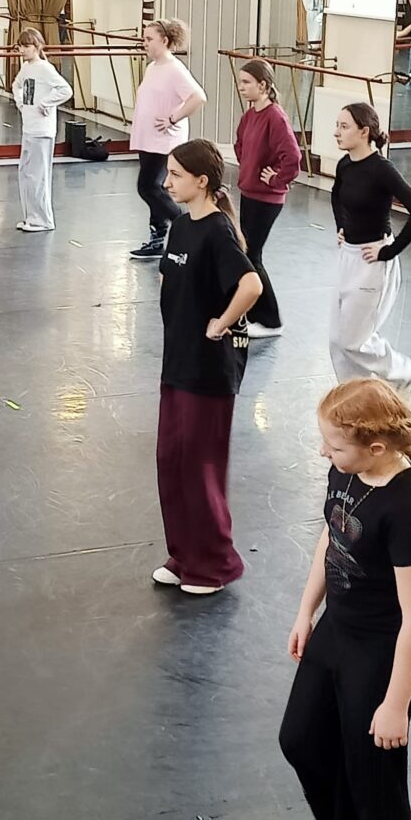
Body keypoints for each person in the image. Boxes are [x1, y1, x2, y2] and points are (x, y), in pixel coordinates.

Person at [280, 378, 411, 820]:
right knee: (300, 740)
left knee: (372, 772)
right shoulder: (347, 470)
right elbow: (333, 535)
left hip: (383, 647)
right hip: (338, 628)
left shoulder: (406, 508)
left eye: (334, 446)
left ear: (376, 448)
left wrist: (396, 705)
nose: (324, 452)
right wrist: (306, 612)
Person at [152, 139, 262, 594]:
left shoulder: (218, 231)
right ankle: (184, 555)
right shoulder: (181, 227)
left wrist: (221, 322)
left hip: (209, 370)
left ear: (202, 182)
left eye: (176, 175)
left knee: (201, 468)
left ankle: (216, 565)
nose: (167, 182)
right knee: (171, 462)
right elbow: (170, 276)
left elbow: (251, 285)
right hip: (177, 361)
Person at [331, 102, 411, 402]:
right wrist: (341, 226)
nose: (337, 132)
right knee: (337, 341)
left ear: (364, 132)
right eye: (337, 125)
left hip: (372, 262)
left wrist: (389, 251)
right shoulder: (345, 164)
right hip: (347, 256)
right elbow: (336, 196)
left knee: (353, 340)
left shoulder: (381, 169)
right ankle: (354, 399)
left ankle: (408, 374)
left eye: (344, 126)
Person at [129, 19, 207, 260]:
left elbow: (198, 97)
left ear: (165, 40)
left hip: (163, 141)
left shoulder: (175, 69)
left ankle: (187, 225)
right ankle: (158, 237)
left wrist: (173, 118)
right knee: (156, 187)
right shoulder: (153, 67)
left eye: (149, 39)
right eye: (144, 39)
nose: (144, 43)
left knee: (149, 187)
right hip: (148, 138)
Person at [234, 58, 301, 338]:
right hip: (249, 192)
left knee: (252, 255)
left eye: (246, 82)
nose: (241, 87)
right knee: (246, 252)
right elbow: (240, 145)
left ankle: (271, 320)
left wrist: (275, 179)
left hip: (267, 199)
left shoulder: (276, 117)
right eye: (241, 82)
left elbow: (293, 159)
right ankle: (253, 312)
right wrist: (249, 169)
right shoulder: (250, 115)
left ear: (263, 85)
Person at [12, 28, 73, 232]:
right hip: (29, 128)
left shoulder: (45, 68)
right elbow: (16, 85)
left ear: (37, 46)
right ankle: (31, 216)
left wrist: (46, 103)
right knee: (26, 173)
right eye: (20, 46)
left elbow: (65, 90)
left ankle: (43, 220)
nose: (22, 50)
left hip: (42, 130)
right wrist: (20, 103)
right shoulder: (26, 68)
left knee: (38, 175)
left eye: (26, 46)